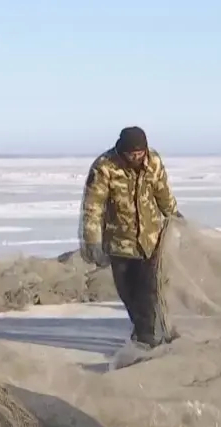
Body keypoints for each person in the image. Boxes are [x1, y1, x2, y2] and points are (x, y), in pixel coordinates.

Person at [79, 126, 181, 347]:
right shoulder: (104, 167)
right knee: (129, 294)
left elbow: (163, 193)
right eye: (131, 154)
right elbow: (92, 206)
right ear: (122, 151)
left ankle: (149, 338)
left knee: (150, 291)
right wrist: (91, 240)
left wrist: (176, 217)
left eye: (140, 153)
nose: (136, 158)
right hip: (120, 242)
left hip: (151, 240)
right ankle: (144, 332)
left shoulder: (153, 161)